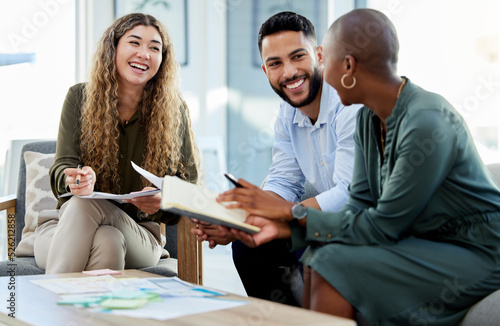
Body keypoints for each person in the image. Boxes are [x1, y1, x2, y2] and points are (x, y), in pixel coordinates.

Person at [217, 8, 500, 326]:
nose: (321, 72)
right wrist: (273, 222)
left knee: (329, 264)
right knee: (321, 259)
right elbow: (360, 204)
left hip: (476, 249)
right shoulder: (368, 116)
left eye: (327, 58)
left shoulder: (426, 121)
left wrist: (287, 217)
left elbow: (383, 225)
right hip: (420, 239)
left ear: (346, 65)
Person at [192, 11, 360, 306]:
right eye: (275, 64)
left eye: (298, 57)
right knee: (250, 245)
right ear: (265, 70)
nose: (289, 73)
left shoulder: (348, 104)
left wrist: (277, 213)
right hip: (319, 216)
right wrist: (238, 222)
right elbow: (284, 179)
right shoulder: (287, 112)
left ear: (319, 54)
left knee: (277, 233)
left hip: (356, 221)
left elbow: (348, 194)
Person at [33, 13, 199, 274]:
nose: (144, 53)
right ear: (114, 47)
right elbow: (62, 166)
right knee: (107, 240)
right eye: (134, 43)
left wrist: (163, 200)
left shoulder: (174, 111)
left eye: (154, 48)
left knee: (86, 207)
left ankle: (48, 305)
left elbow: (190, 187)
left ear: (162, 59)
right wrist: (75, 179)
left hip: (140, 235)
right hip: (62, 228)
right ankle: (88, 315)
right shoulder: (79, 98)